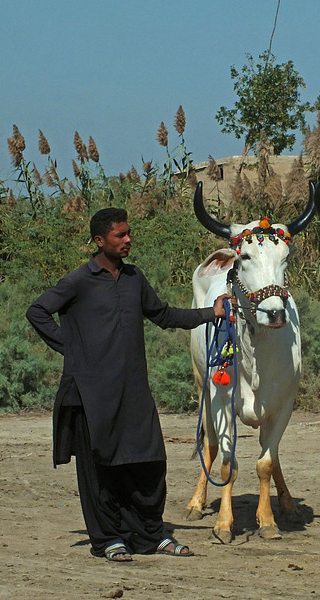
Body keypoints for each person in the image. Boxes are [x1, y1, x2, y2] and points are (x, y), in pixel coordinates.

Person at [26, 207, 228, 562]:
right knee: (101, 466)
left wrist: (212, 312)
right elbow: (37, 311)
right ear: (99, 241)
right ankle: (108, 540)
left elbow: (164, 315)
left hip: (133, 388)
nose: (128, 240)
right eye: (120, 235)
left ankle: (150, 535)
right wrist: (71, 349)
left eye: (129, 233)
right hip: (91, 392)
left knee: (149, 461)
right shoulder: (78, 281)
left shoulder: (134, 278)